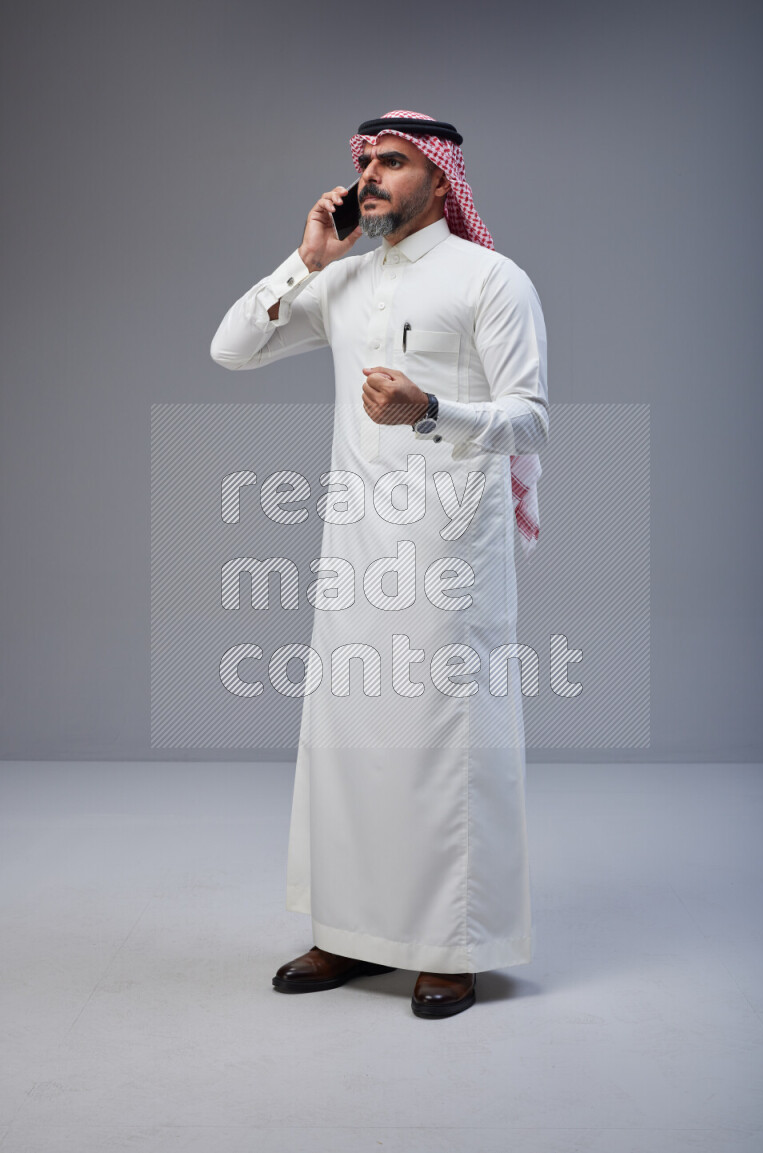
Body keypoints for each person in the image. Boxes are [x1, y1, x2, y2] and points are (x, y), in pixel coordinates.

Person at [210, 110, 548, 1018]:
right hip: (355, 548)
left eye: (392, 162)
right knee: (350, 740)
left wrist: (431, 408)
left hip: (449, 549)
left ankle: (452, 946)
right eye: (364, 162)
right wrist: (305, 261)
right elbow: (231, 348)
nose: (369, 177)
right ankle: (350, 932)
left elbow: (531, 417)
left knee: (442, 744)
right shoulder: (345, 281)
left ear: (440, 179)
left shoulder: (491, 279)